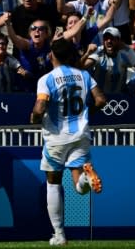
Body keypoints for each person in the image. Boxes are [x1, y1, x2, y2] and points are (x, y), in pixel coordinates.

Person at [31, 37, 107, 247]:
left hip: (56, 137)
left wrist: (34, 118)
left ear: (53, 55)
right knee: (78, 185)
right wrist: (86, 112)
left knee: (53, 183)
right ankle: (87, 180)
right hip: (80, 135)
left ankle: (59, 235)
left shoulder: (47, 78)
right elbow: (101, 100)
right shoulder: (84, 75)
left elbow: (39, 108)